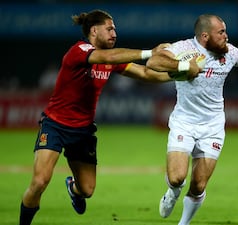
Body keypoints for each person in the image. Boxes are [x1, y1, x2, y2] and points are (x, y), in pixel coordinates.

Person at [18, 9, 197, 225]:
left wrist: (182, 72)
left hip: (83, 131)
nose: (114, 33)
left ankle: (73, 188)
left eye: (115, 29)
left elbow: (146, 74)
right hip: (55, 125)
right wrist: (151, 52)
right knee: (40, 181)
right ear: (94, 30)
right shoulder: (80, 50)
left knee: (87, 190)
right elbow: (107, 56)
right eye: (109, 28)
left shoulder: (112, 59)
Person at [146, 14, 238, 225]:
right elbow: (154, 61)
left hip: (213, 127)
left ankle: (184, 223)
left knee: (199, 185)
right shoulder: (184, 48)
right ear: (204, 36)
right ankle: (172, 193)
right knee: (177, 178)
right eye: (221, 32)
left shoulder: (230, 52)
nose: (226, 36)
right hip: (184, 121)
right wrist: (184, 67)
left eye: (225, 31)